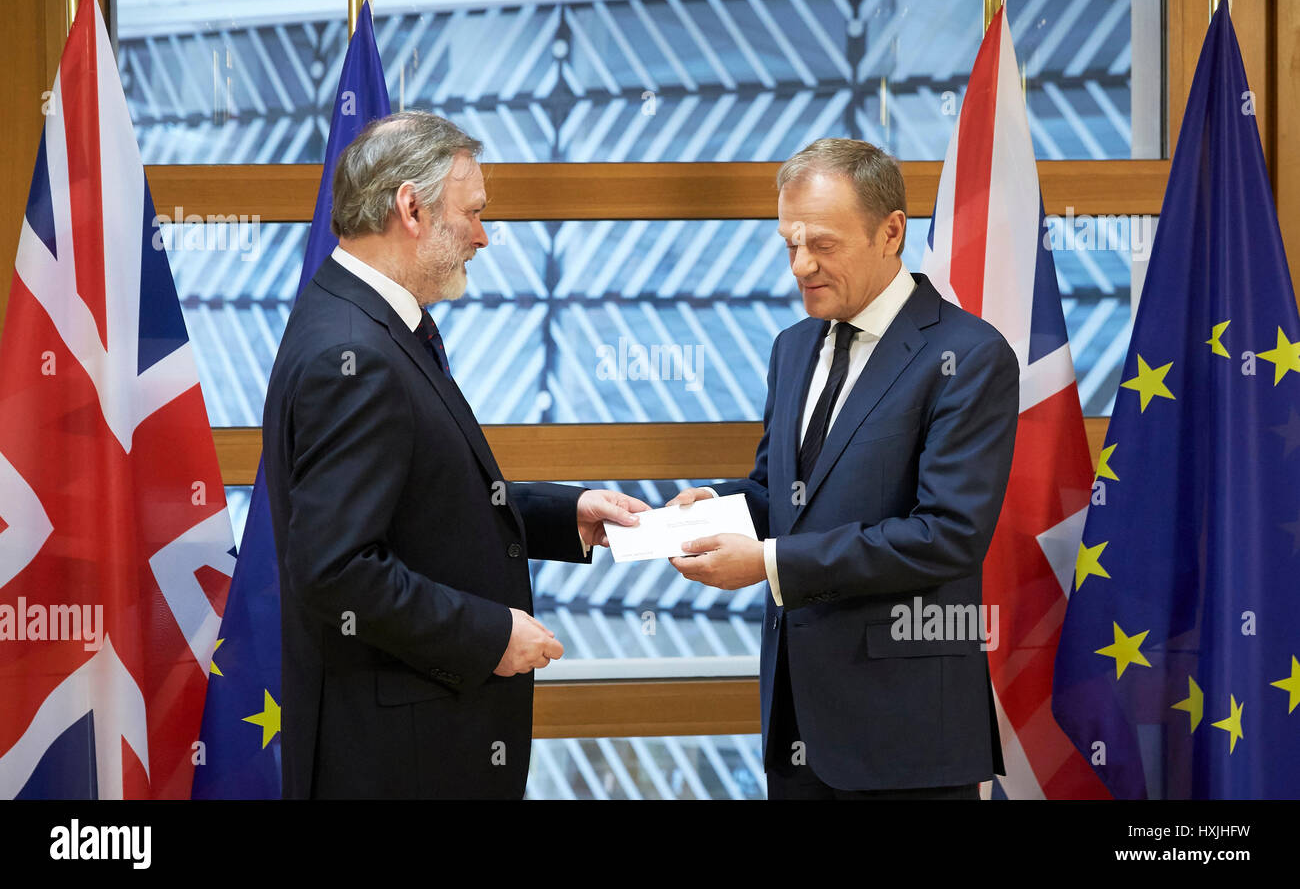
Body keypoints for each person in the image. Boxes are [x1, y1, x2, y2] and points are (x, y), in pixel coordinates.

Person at [262, 111, 646, 799]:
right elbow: (337, 569)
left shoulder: (355, 316)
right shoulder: (355, 355)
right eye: (471, 214)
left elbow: (424, 499)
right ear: (410, 208)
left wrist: (568, 515)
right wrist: (490, 634)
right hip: (396, 760)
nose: (483, 236)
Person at [668, 138, 1018, 799]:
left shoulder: (969, 356)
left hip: (907, 739)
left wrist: (770, 565)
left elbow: (946, 535)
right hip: (797, 726)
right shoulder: (792, 347)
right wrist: (714, 505)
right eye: (789, 243)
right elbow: (785, 495)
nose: (801, 266)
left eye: (822, 245)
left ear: (891, 233)